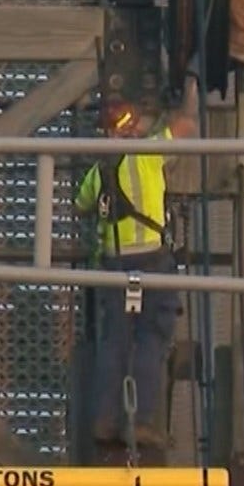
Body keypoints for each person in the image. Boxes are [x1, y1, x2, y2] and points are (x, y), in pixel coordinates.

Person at [74, 73, 199, 450]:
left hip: (113, 266)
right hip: (152, 261)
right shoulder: (146, 154)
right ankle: (141, 422)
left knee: (114, 340)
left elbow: (81, 205)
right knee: (152, 338)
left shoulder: (98, 172)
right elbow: (185, 126)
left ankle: (105, 419)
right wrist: (190, 84)